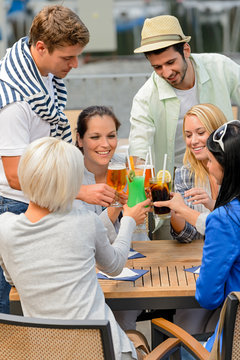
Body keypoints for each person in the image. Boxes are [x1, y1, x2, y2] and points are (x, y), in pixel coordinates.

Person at [0, 137, 151, 360]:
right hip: (104, 351)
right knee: (139, 341)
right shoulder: (84, 221)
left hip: (47, 353)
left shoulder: (5, 227)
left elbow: (12, 279)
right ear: (70, 182)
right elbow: (116, 265)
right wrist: (128, 220)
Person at [0, 5, 90, 314]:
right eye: (67, 57)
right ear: (40, 47)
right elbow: (13, 176)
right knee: (9, 312)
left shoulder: (40, 73)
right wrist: (77, 191)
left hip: (33, 202)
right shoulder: (13, 102)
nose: (75, 64)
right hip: (12, 205)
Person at [154, 120, 240, 355]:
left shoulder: (225, 218)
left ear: (227, 165)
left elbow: (208, 296)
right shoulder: (225, 218)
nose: (208, 167)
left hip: (231, 347)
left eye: (210, 161)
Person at [128, 14, 240, 176]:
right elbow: (139, 148)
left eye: (170, 62)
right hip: (175, 177)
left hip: (225, 170)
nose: (166, 73)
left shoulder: (220, 66)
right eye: (157, 67)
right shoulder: (145, 97)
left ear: (186, 50)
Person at [74, 105, 149, 330]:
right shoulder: (70, 175)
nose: (105, 145)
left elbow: (140, 237)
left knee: (123, 318)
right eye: (95, 137)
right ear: (79, 139)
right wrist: (117, 208)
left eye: (112, 136)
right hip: (87, 276)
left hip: (128, 269)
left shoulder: (129, 169)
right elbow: (86, 239)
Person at [170, 103, 227, 243]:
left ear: (218, 132)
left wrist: (211, 203)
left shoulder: (234, 168)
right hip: (200, 256)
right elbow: (188, 236)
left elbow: (232, 224)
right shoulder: (184, 174)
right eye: (188, 135)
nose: (193, 141)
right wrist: (173, 210)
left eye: (201, 133)